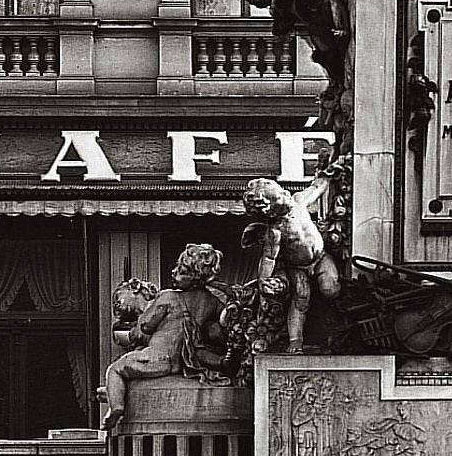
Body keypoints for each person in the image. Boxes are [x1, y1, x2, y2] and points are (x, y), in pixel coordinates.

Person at [100, 243, 229, 430]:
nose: (173, 272)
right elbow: (221, 325)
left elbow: (146, 325)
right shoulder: (213, 302)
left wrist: (139, 325)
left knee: (115, 369)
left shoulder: (168, 296)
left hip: (158, 357)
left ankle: (116, 408)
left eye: (180, 270)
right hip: (179, 362)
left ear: (193, 276)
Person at [240, 176, 343, 353]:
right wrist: (263, 281)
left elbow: (316, 188)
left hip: (321, 258)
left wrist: (328, 174)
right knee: (300, 300)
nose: (286, 198)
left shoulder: (298, 201)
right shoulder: (275, 231)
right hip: (297, 268)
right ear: (271, 211)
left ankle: (334, 323)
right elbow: (269, 258)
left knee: (330, 289)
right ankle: (295, 342)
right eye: (280, 199)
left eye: (283, 194)